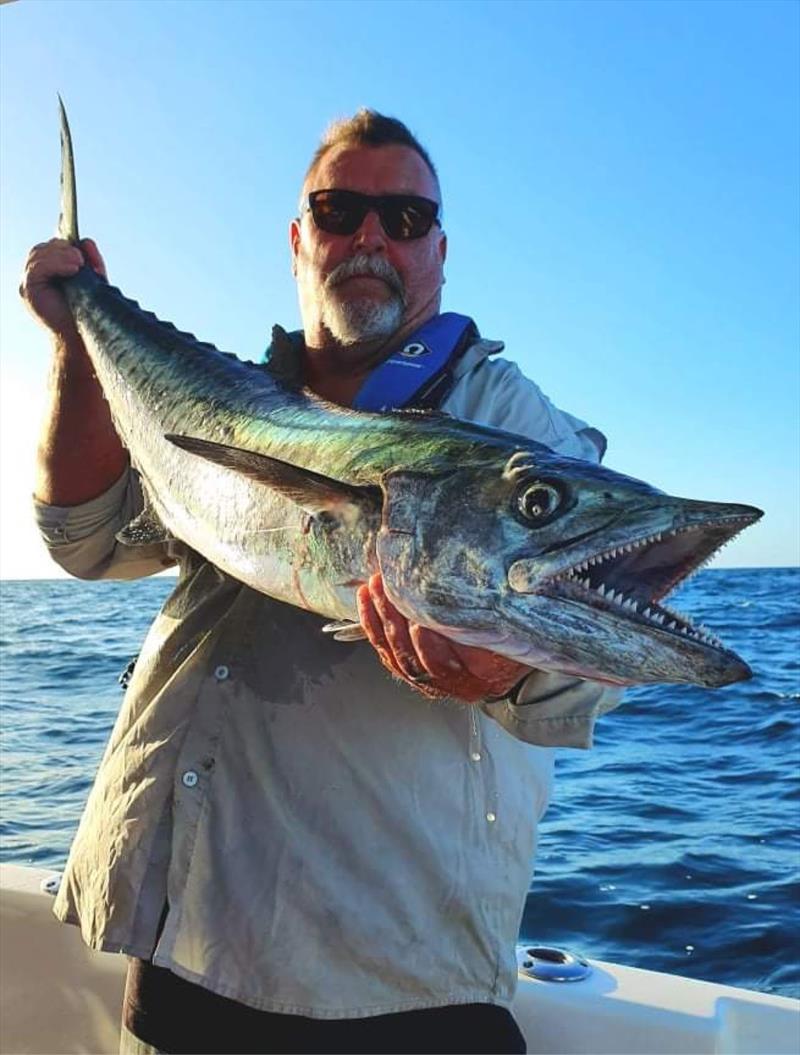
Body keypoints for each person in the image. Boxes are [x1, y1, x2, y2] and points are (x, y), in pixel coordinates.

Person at [21, 111, 620, 1055]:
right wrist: (74, 343)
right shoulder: (228, 399)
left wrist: (498, 672)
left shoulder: (510, 424)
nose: (371, 237)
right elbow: (88, 539)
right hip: (186, 937)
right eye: (340, 211)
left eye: (405, 219)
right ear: (300, 241)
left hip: (393, 986)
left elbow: (599, 652)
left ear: (441, 253)